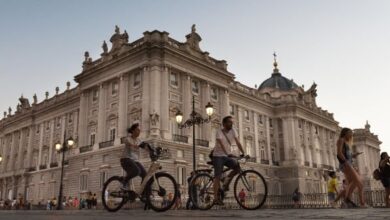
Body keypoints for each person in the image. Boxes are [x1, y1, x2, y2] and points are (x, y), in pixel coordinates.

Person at [212, 116, 245, 205]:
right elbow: (221, 143)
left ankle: (226, 181)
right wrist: (227, 153)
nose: (231, 123)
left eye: (232, 122)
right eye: (229, 122)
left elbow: (237, 142)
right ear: (224, 123)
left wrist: (243, 152)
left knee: (237, 168)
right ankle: (215, 198)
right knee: (217, 177)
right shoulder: (219, 132)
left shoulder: (233, 130)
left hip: (226, 156)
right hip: (218, 156)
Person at [336, 127, 367, 208]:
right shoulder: (341, 140)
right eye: (350, 133)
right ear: (345, 133)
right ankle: (362, 203)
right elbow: (339, 153)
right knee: (359, 183)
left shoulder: (346, 142)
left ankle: (346, 202)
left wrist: (354, 155)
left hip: (347, 164)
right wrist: (346, 162)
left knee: (351, 183)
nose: (351, 134)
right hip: (346, 164)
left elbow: (346, 155)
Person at [121, 123, 149, 190]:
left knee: (145, 175)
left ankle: (143, 191)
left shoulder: (139, 140)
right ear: (133, 131)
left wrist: (152, 150)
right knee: (136, 171)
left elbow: (145, 146)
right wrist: (135, 145)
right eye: (137, 130)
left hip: (135, 161)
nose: (139, 132)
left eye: (139, 130)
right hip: (125, 159)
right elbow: (129, 143)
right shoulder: (128, 139)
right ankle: (124, 181)